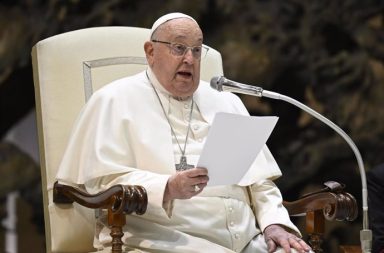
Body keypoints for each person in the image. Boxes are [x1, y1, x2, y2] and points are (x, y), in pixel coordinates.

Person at [57, 12, 312, 253]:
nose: (189, 59)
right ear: (150, 51)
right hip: (165, 242)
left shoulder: (226, 101)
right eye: (179, 48)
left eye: (197, 50)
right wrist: (167, 187)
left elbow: (259, 181)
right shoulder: (113, 100)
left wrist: (273, 223)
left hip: (249, 240)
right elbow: (102, 183)